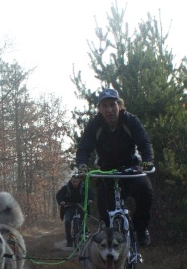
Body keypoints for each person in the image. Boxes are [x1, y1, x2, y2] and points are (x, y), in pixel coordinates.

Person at [75, 87, 155, 246]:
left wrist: (147, 161)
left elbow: (144, 143)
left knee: (146, 191)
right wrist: (82, 165)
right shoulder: (95, 125)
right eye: (104, 106)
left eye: (112, 105)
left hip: (130, 169)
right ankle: (110, 252)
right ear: (100, 109)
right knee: (105, 212)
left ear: (120, 105)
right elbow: (84, 148)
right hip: (106, 171)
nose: (109, 110)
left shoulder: (130, 121)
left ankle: (140, 229)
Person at [55, 173, 94, 247]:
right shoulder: (66, 188)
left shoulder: (84, 187)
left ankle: (85, 233)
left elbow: (90, 194)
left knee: (83, 219)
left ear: (79, 181)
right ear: (71, 181)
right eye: (73, 182)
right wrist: (61, 201)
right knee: (67, 221)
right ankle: (69, 241)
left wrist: (90, 199)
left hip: (81, 206)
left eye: (76, 182)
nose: (75, 183)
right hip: (69, 206)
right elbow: (59, 195)